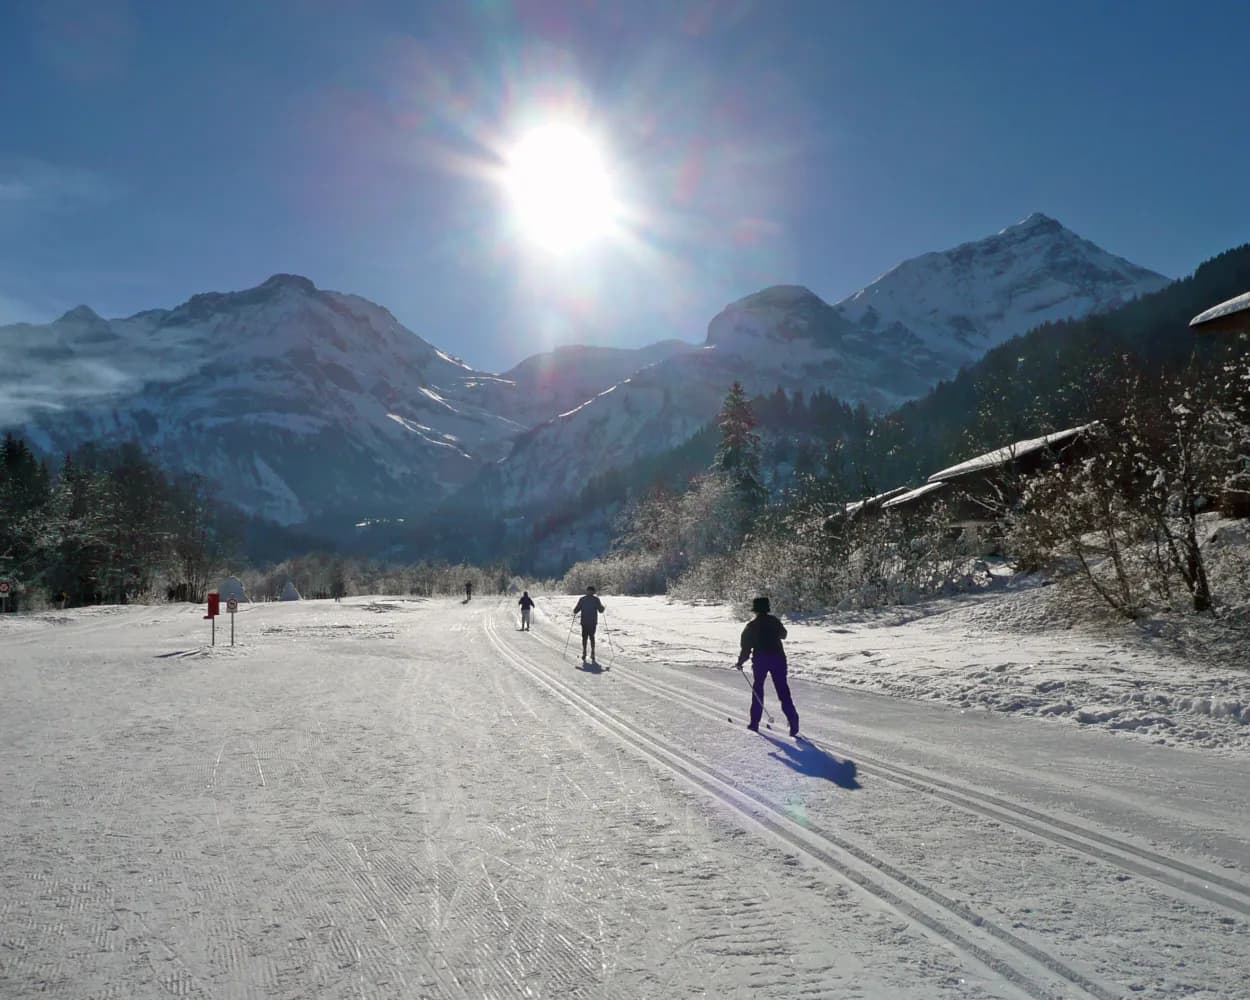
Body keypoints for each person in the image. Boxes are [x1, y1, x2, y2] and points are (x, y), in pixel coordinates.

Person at [736, 596, 799, 737]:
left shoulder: (751, 626)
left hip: (761, 661)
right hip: (778, 658)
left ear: (755, 610)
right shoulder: (774, 621)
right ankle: (793, 719)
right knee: (783, 690)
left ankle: (754, 723)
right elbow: (784, 635)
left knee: (758, 689)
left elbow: (746, 648)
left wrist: (740, 662)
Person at [572, 586, 605, 661]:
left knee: (584, 637)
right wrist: (603, 608)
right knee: (592, 637)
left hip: (584, 621)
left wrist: (575, 611)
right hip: (593, 622)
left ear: (587, 591)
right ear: (594, 592)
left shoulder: (582, 599)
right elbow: (600, 610)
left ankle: (584, 652)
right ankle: (592, 652)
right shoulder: (596, 599)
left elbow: (576, 610)